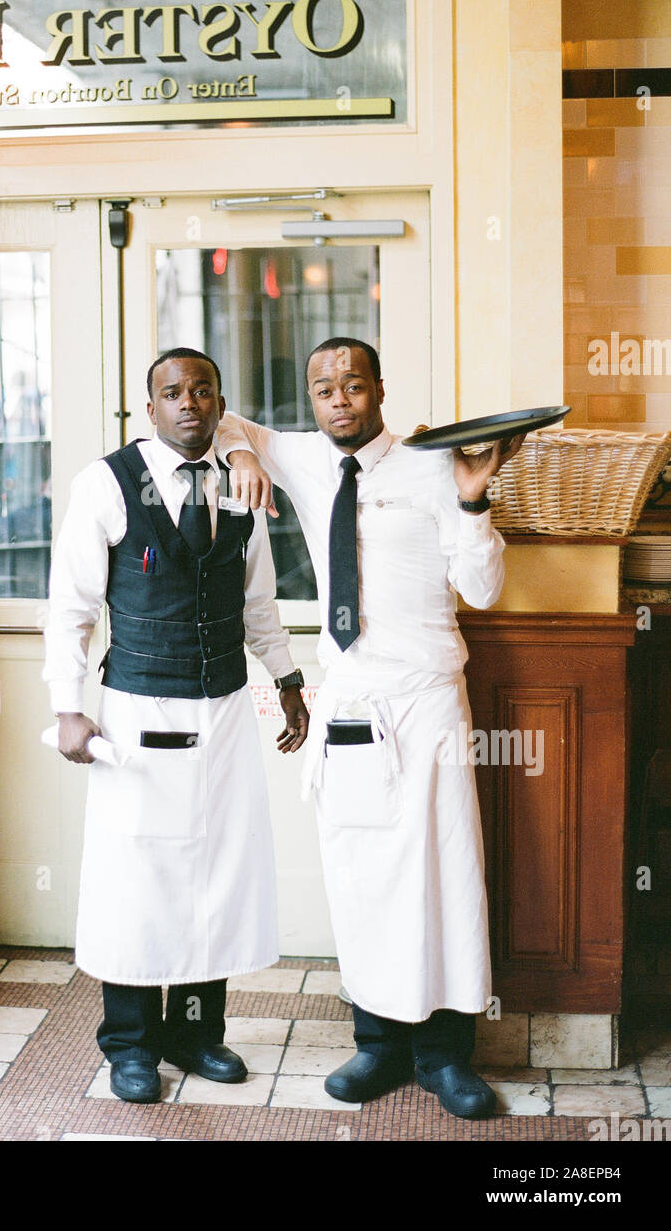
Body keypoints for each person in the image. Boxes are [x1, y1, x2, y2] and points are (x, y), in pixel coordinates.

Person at [216, 337, 523, 1120]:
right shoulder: (306, 460)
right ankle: (379, 1044)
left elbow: (482, 591)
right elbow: (220, 418)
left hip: (426, 701)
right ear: (311, 401)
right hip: (350, 701)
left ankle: (445, 1054)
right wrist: (241, 457)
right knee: (361, 877)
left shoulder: (433, 464)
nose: (339, 400)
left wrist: (475, 499)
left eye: (353, 384)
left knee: (446, 874)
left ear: (379, 389)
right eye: (324, 389)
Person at [43, 347, 309, 1103]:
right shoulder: (106, 483)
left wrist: (288, 680)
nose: (188, 403)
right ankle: (130, 1046)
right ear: (149, 407)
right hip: (136, 713)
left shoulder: (240, 484)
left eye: (203, 391)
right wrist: (69, 706)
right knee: (138, 883)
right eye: (172, 393)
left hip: (223, 712)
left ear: (220, 404)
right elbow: (70, 608)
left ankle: (196, 1034)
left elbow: (260, 604)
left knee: (214, 878)